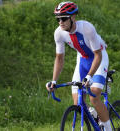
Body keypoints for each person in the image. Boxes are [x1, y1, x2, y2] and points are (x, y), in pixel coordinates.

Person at [46, 1, 112, 130]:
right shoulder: (58, 33)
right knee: (78, 101)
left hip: (99, 57)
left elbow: (97, 55)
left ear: (73, 17)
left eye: (64, 18)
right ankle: (92, 114)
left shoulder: (87, 28)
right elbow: (59, 58)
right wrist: (54, 81)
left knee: (94, 95)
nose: (60, 22)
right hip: (82, 59)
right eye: (58, 19)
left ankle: (108, 128)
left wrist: (89, 76)